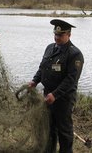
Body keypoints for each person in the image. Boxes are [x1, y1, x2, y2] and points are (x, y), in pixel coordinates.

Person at [29, 19, 84, 153]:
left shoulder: (75, 54)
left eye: (61, 35)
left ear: (69, 35)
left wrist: (55, 94)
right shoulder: (50, 47)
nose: (57, 37)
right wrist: (34, 81)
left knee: (64, 131)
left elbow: (71, 80)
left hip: (63, 99)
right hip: (47, 95)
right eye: (55, 34)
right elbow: (42, 68)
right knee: (49, 128)